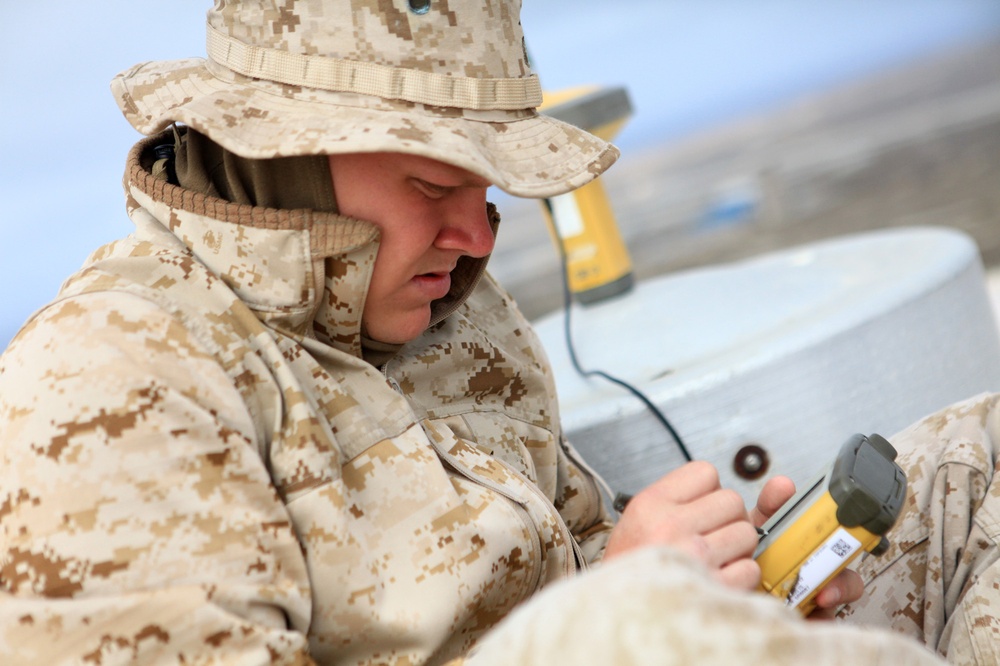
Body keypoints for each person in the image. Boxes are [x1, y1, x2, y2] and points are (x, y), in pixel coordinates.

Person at [0, 1, 996, 664]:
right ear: (285, 153)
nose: (477, 235)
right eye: (434, 184)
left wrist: (740, 586)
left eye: (485, 191)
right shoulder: (104, 384)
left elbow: (577, 557)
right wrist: (631, 611)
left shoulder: (454, 309)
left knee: (977, 464)